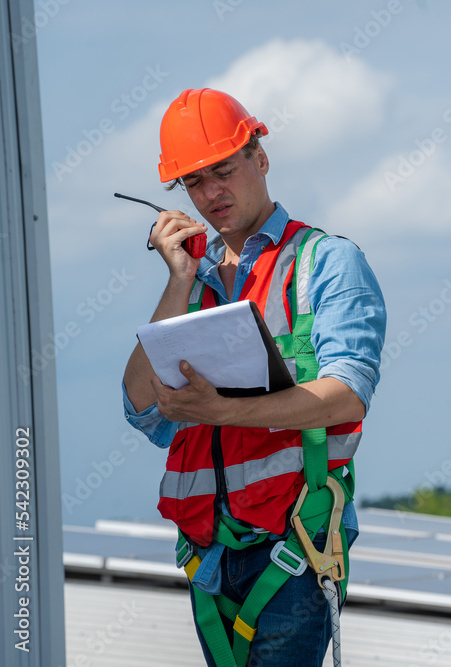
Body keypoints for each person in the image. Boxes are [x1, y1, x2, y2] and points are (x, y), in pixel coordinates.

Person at [121, 88, 386, 667]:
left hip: (292, 550)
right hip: (208, 558)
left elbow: (347, 393)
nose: (212, 192)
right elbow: (141, 407)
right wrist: (178, 280)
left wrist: (227, 411)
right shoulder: (195, 283)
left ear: (259, 159)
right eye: (194, 182)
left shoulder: (326, 261)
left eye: (224, 170)